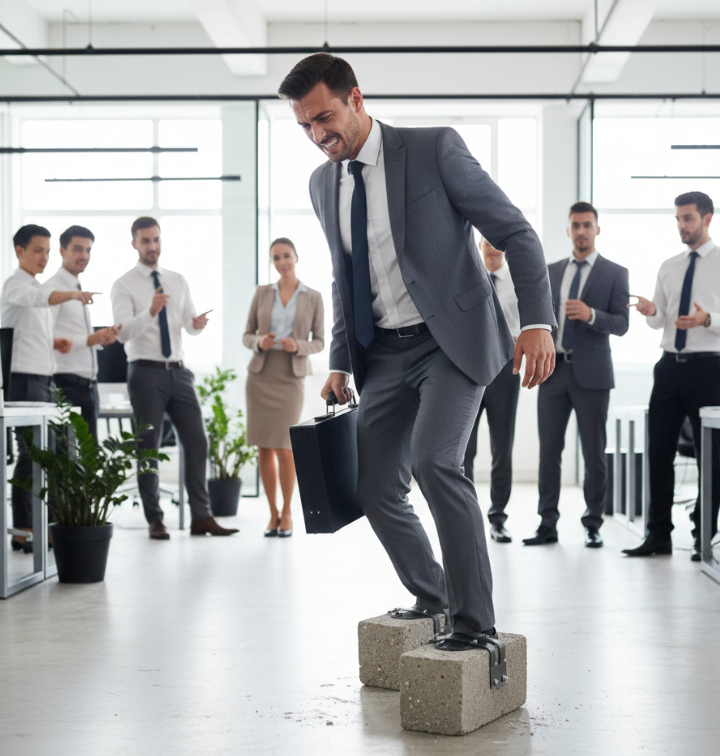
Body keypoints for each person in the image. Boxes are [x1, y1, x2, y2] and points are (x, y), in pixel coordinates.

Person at [278, 53, 556, 651]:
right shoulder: (322, 182)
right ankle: (434, 597)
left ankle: (475, 624)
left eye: (324, 117)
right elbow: (344, 274)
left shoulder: (433, 150)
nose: (318, 135)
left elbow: (516, 233)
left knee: (436, 463)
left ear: (356, 98)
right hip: (383, 355)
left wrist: (537, 321)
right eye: (304, 126)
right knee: (375, 486)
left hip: (450, 345)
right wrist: (340, 362)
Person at [110, 216, 237, 540]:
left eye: (155, 239)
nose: (152, 246)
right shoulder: (123, 284)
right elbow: (123, 334)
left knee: (197, 441)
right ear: (134, 244)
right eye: (145, 241)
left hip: (179, 372)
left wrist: (196, 324)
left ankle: (201, 517)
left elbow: (187, 325)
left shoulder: (177, 280)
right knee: (148, 446)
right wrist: (150, 311)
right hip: (145, 372)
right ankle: (155, 518)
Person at [523, 202, 629, 549]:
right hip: (552, 372)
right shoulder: (550, 271)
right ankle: (547, 524)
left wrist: (591, 315)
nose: (581, 231)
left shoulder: (616, 272)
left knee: (594, 453)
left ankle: (593, 523)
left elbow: (622, 324)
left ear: (597, 229)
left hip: (593, 375)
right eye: (575, 225)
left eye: (587, 225)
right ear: (568, 230)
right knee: (549, 453)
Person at [623, 191, 720, 560]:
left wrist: (706, 319)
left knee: (710, 457)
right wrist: (650, 310)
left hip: (709, 367)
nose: (682, 225)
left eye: (688, 218)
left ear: (707, 218)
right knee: (658, 452)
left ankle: (703, 536)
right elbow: (658, 320)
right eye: (678, 219)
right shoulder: (669, 265)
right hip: (668, 368)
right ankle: (658, 535)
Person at [1, 224, 97, 550]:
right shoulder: (16, 285)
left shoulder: (34, 286)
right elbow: (37, 299)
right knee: (31, 456)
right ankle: (24, 528)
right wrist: (71, 293)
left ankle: (38, 526)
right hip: (24, 382)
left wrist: (52, 340)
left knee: (48, 455)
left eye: (46, 250)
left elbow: (28, 327)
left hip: (42, 382)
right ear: (20, 251)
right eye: (37, 250)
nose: (43, 256)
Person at [243, 238, 325, 538]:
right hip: (261, 374)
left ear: (296, 257)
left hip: (291, 377)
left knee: (286, 448)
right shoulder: (262, 293)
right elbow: (247, 334)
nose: (282, 262)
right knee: (264, 446)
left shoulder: (313, 296)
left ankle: (289, 512)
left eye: (286, 256)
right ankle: (273, 513)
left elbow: (319, 341)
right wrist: (259, 341)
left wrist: (299, 345)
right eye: (276, 258)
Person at [463, 237, 521, 544]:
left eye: (498, 243)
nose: (493, 249)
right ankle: (467, 516)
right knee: (463, 450)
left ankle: (498, 518)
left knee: (502, 448)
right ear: (480, 245)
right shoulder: (467, 278)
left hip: (505, 371)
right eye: (488, 243)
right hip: (468, 371)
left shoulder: (518, 282)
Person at [44, 225, 121, 439]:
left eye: (88, 250)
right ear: (62, 250)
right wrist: (91, 339)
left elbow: (73, 334)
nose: (84, 255)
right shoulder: (53, 291)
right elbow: (46, 339)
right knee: (68, 461)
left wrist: (100, 339)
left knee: (88, 462)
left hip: (88, 387)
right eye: (78, 249)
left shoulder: (77, 288)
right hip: (65, 386)